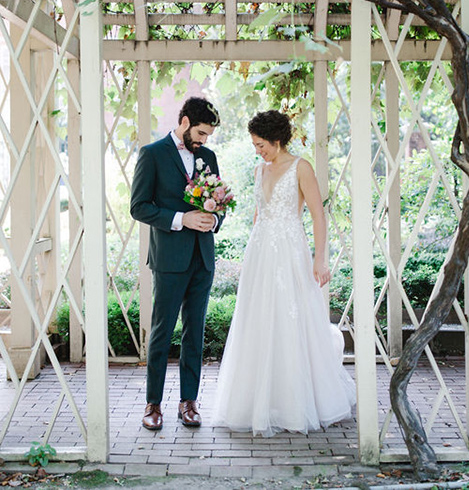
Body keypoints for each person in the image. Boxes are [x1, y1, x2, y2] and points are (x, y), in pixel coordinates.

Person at [212, 110, 355, 437]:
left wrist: (320, 260)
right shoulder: (259, 169)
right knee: (258, 319)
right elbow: (260, 213)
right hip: (261, 253)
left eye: (260, 144)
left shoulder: (301, 168)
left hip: (290, 253)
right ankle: (258, 400)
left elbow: (319, 216)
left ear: (277, 139)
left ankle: (296, 401)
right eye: (254, 145)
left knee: (292, 318)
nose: (257, 150)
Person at [130, 97, 224, 430]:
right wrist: (181, 219)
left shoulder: (208, 157)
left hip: (202, 259)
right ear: (184, 122)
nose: (203, 141)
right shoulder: (152, 154)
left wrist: (213, 221)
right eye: (200, 133)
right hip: (169, 259)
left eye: (208, 135)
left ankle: (189, 401)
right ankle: (152, 404)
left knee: (194, 333)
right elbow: (139, 207)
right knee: (161, 332)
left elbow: (218, 205)